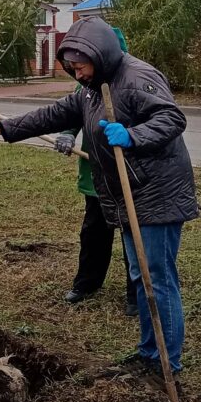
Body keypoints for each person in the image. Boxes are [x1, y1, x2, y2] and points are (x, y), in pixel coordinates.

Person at [0, 16, 197, 377]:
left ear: (99, 54)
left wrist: (133, 135)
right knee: (142, 276)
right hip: (129, 193)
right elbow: (56, 113)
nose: (77, 74)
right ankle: (148, 354)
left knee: (157, 279)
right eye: (71, 68)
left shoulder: (137, 78)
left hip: (156, 192)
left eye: (80, 67)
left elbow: (171, 118)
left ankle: (164, 363)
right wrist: (3, 128)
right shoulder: (94, 85)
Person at [54, 27, 138, 316]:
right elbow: (72, 112)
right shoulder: (85, 84)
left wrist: (132, 136)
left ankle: (136, 293)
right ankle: (87, 282)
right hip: (96, 175)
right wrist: (67, 133)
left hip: (128, 174)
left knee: (133, 236)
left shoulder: (131, 81)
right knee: (94, 232)